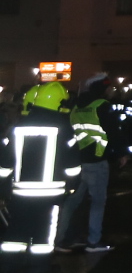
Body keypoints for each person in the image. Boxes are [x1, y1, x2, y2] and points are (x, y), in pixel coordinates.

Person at [2, 81, 76, 258]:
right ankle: (39, 266)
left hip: (19, 192)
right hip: (51, 194)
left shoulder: (18, 127)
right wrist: (71, 187)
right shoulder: (64, 129)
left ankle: (9, 265)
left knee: (16, 231)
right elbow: (72, 165)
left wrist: (3, 188)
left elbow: (4, 162)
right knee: (43, 233)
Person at [58, 73, 117, 253]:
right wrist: (121, 152)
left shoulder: (76, 105)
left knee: (72, 202)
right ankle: (94, 241)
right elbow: (113, 130)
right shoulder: (102, 105)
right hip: (97, 159)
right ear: (102, 88)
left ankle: (61, 239)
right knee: (98, 202)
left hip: (78, 160)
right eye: (108, 87)